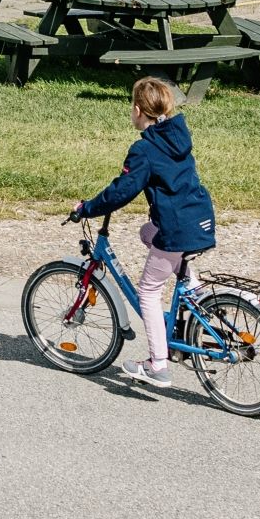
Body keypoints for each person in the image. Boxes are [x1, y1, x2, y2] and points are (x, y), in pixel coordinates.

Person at [72, 76, 215, 386]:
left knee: (148, 291)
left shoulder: (145, 149)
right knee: (147, 232)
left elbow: (122, 190)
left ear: (138, 110)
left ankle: (157, 364)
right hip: (199, 219)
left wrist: (87, 208)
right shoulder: (176, 137)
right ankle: (192, 286)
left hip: (176, 229)